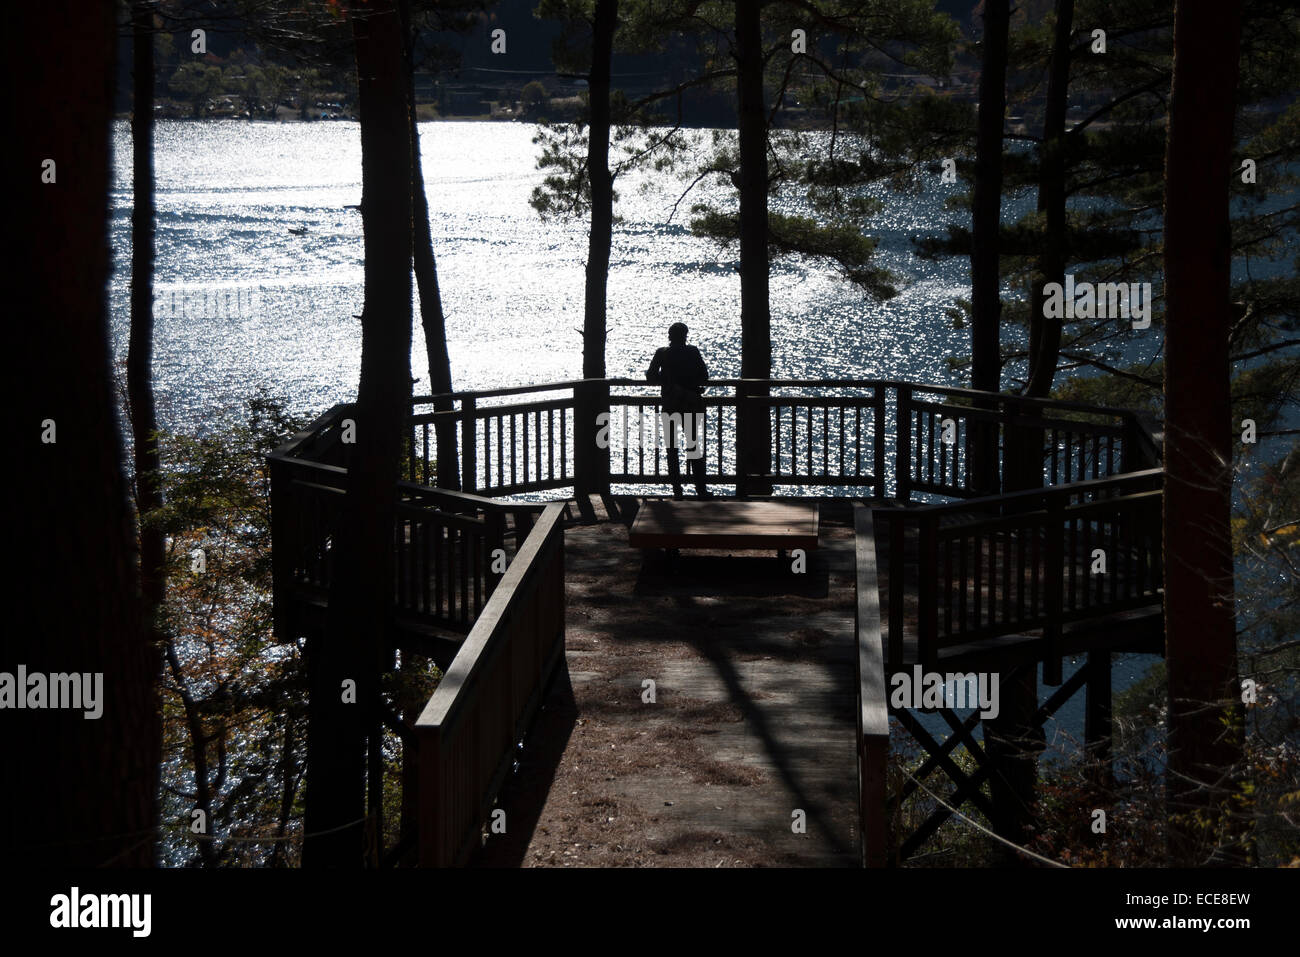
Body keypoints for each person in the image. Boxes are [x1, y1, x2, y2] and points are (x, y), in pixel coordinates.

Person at [646, 322, 712, 499]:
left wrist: (667, 381)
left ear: (669, 336)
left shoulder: (662, 353)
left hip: (670, 404)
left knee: (672, 448)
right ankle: (701, 490)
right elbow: (704, 376)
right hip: (689, 404)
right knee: (693, 446)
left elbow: (650, 376)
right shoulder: (692, 352)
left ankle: (677, 491)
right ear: (685, 335)